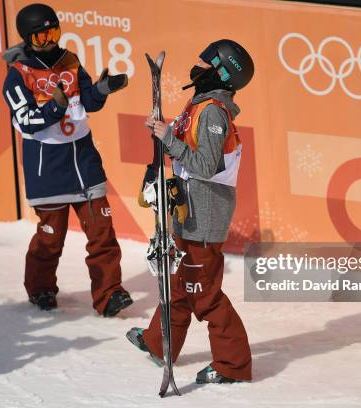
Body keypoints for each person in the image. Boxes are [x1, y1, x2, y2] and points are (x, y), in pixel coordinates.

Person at [127, 39, 254, 384]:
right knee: (182, 285)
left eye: (204, 62)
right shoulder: (200, 103)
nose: (196, 65)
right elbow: (185, 148)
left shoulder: (213, 111)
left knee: (205, 295)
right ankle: (158, 342)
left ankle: (233, 365)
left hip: (204, 215)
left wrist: (168, 138)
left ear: (221, 72)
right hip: (189, 210)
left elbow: (205, 164)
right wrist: (163, 132)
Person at [1, 3, 132, 316]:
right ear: (28, 38)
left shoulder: (70, 60)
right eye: (41, 35)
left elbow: (88, 100)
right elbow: (27, 120)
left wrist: (102, 88)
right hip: (48, 164)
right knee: (51, 238)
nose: (49, 40)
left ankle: (109, 294)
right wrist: (55, 107)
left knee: (102, 233)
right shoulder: (18, 76)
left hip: (84, 158)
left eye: (54, 32)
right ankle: (41, 288)